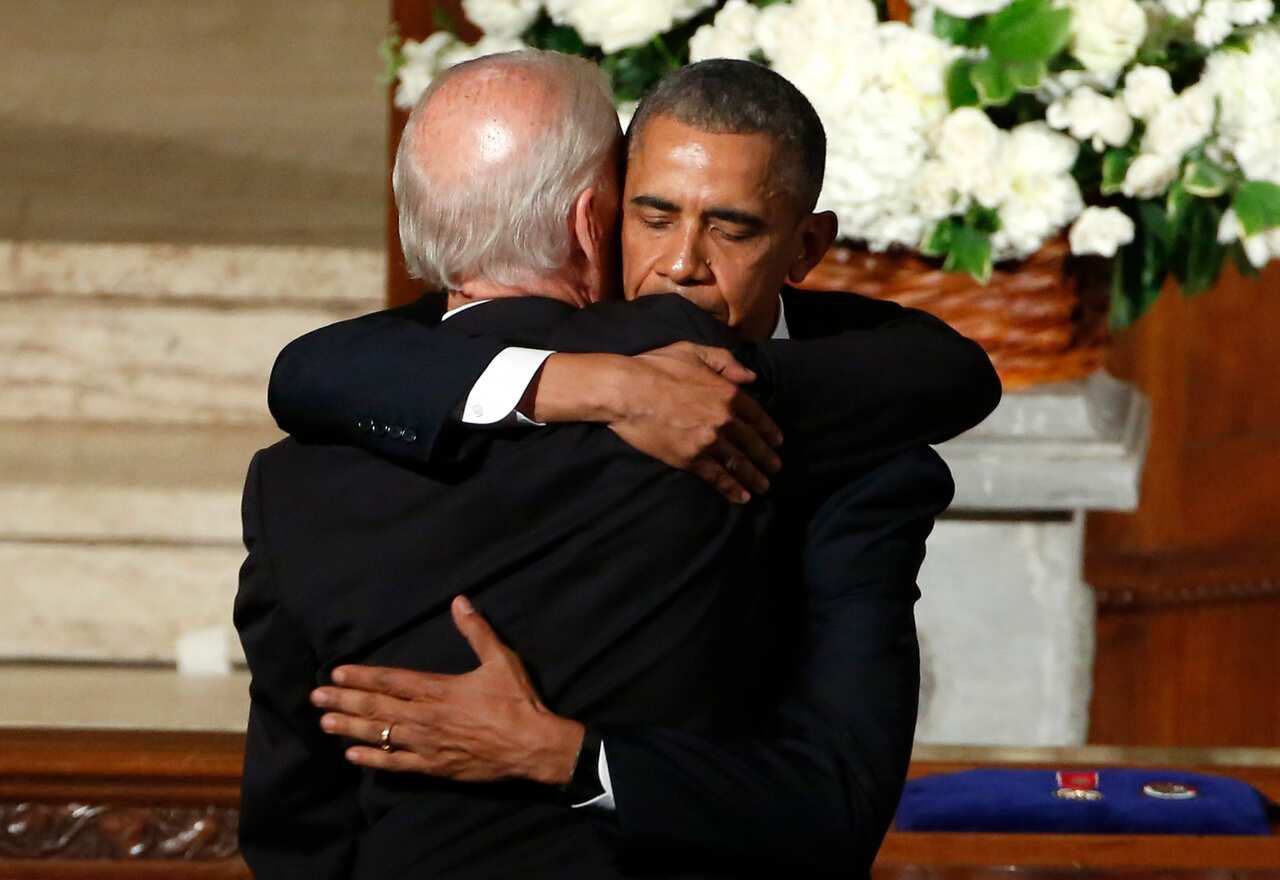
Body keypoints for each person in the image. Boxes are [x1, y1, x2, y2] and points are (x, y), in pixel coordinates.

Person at [238, 53, 999, 879]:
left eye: (732, 228)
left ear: (806, 245)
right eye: (653, 216)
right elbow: (314, 367)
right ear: (597, 221)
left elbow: (835, 802)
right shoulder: (377, 394)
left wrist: (564, 756)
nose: (681, 265)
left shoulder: (296, 474)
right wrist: (586, 381)